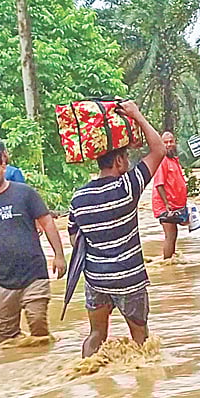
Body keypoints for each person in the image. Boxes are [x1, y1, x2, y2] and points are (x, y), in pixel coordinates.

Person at [69, 101, 166, 357]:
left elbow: (74, 240)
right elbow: (158, 150)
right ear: (121, 161)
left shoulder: (78, 198)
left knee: (96, 335)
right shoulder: (127, 187)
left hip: (96, 278)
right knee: (140, 337)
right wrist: (137, 115)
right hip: (129, 279)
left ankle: (90, 379)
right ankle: (145, 389)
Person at [0, 147, 66, 342]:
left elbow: (47, 223)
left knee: (39, 330)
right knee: (8, 340)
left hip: (34, 274)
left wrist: (59, 256)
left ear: (3, 167)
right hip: (0, 279)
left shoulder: (25, 194)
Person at [152, 130, 189, 261]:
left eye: (171, 141)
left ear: (175, 142)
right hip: (165, 207)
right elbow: (159, 184)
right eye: (165, 142)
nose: (169, 144)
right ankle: (167, 263)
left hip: (175, 206)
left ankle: (171, 262)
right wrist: (166, 204)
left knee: (174, 235)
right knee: (170, 235)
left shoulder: (173, 160)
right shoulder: (162, 161)